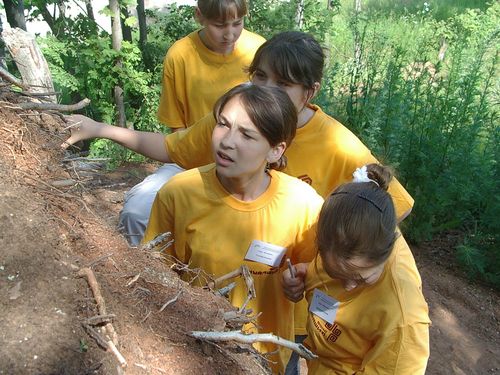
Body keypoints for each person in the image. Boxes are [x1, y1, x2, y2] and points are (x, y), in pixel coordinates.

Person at [62, 31, 415, 373]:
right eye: (260, 77)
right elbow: (174, 148)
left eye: (282, 84)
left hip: (276, 322)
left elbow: (386, 208)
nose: (264, 90)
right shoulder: (232, 121)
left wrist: (346, 276)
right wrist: (101, 128)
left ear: (309, 94)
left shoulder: (335, 150)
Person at [143, 83, 324, 373]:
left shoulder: (304, 206)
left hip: (270, 360)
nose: (227, 141)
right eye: (223, 125)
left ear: (276, 150)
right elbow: (154, 276)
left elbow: (322, 278)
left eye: (247, 135)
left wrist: (300, 282)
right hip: (197, 353)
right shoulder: (180, 193)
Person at [119, 0, 265, 244]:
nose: (230, 34)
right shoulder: (181, 54)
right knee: (136, 211)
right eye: (219, 25)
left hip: (248, 164)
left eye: (237, 23)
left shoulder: (259, 50)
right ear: (199, 16)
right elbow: (177, 131)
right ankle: (145, 273)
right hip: (190, 160)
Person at [282, 163, 431, 374]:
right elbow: (324, 277)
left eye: (361, 279)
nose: (348, 287)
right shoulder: (341, 244)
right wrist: (302, 275)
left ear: (387, 254)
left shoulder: (404, 318)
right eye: (336, 275)